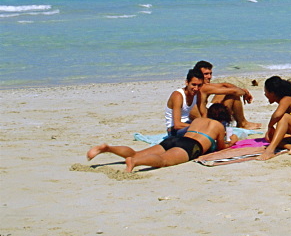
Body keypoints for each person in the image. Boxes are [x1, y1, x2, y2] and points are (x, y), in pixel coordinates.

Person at [89, 104, 235, 172]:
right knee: (164, 160)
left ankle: (108, 148)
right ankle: (135, 162)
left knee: (136, 152)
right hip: (190, 145)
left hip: (174, 140)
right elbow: (221, 148)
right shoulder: (218, 127)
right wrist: (233, 141)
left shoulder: (198, 120)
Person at [193, 60, 261, 130]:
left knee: (223, 94)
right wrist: (245, 93)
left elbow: (225, 85)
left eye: (210, 74)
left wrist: (242, 90)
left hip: (205, 113)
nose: (209, 77)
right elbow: (235, 92)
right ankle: (242, 123)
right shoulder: (203, 87)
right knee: (233, 95)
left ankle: (242, 122)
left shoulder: (202, 85)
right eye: (206, 74)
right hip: (205, 120)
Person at [165, 68, 205, 133]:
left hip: (188, 123)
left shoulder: (197, 93)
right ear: (187, 82)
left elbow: (203, 112)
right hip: (175, 129)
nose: (196, 88)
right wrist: (198, 126)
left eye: (199, 85)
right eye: (193, 84)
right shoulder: (178, 96)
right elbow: (177, 125)